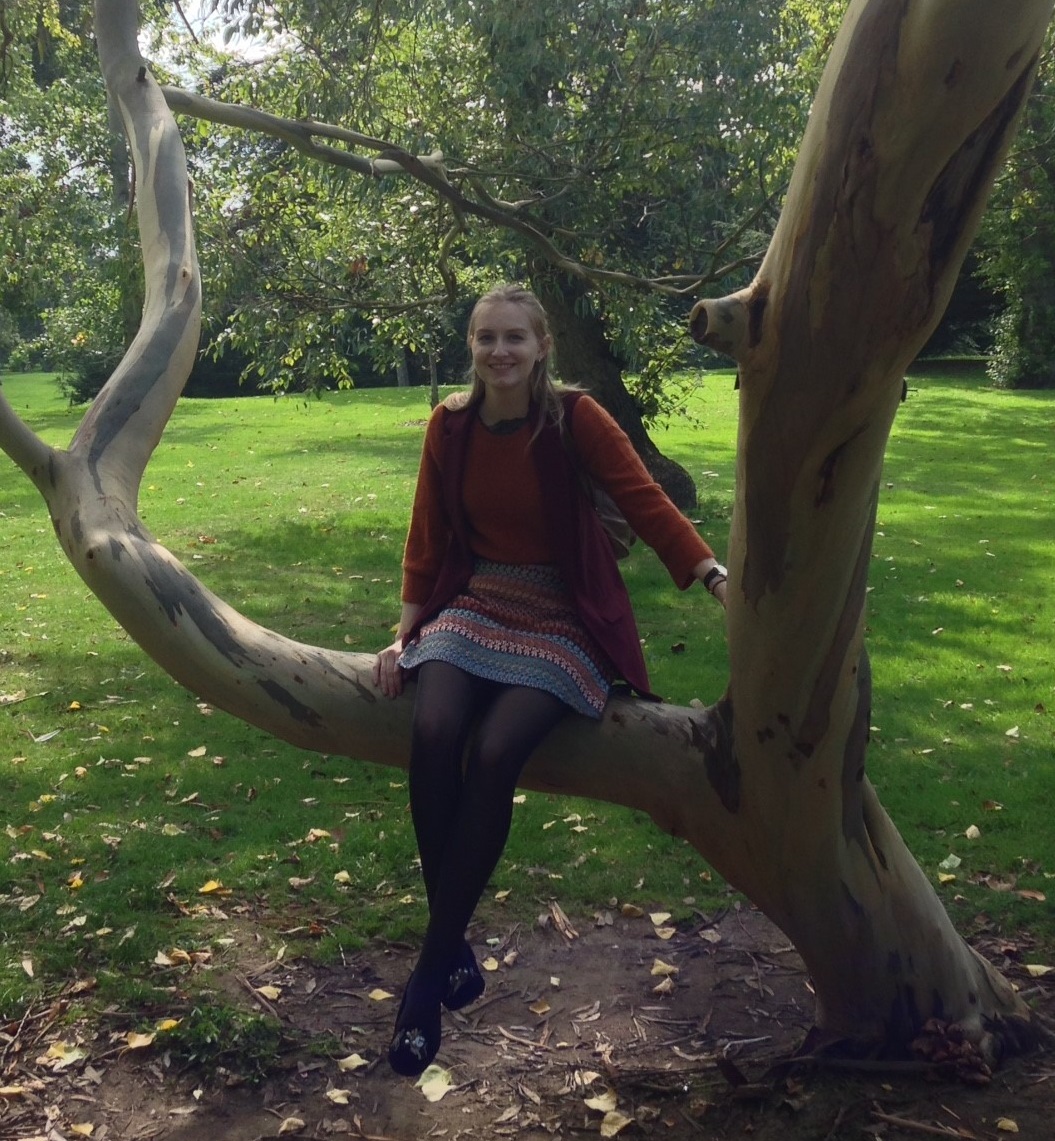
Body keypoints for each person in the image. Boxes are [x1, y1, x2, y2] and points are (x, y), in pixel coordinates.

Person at [372, 284, 727, 1076]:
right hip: (476, 600)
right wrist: (404, 631)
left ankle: (425, 981)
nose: (498, 351)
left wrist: (711, 575)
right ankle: (449, 950)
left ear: (540, 347)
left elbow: (643, 500)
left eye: (513, 338)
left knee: (496, 751)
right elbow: (426, 535)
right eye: (485, 338)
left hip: (563, 615)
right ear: (471, 346)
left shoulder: (574, 418)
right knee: (433, 729)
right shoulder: (450, 426)